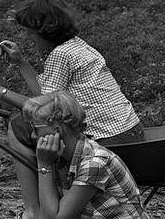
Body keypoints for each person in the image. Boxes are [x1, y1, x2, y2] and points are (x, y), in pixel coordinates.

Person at [0, 0, 143, 219]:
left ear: (45, 32)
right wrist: (21, 62)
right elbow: (44, 97)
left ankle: (32, 210)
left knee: (17, 126)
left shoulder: (60, 55)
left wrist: (0, 92)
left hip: (104, 136)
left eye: (30, 33)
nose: (29, 38)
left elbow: (41, 106)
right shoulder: (79, 45)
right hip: (130, 130)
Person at [17, 90, 150, 219]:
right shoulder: (58, 157)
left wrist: (44, 166)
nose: (33, 135)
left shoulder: (94, 163)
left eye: (35, 128)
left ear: (57, 130)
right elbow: (49, 211)